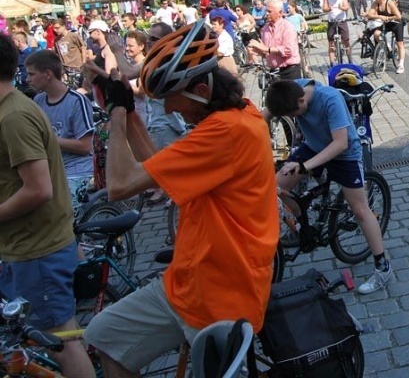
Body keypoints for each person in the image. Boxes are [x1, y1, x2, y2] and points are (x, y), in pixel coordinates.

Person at [84, 22, 279, 377]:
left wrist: (113, 116)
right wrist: (129, 113)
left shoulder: (225, 132)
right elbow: (155, 167)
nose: (172, 111)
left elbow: (120, 185)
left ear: (202, 89)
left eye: (174, 101)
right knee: (103, 334)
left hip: (219, 296)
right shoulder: (239, 113)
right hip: (186, 283)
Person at [0, 34, 95, 378]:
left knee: (61, 340)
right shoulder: (18, 107)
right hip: (25, 246)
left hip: (37, 248)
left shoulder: (14, 117)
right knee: (47, 338)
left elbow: (38, 189)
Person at [265, 78, 394, 295]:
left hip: (344, 154)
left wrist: (305, 166)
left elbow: (340, 143)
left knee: (360, 210)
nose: (296, 118)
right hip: (314, 147)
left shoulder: (330, 99)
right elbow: (263, 116)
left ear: (301, 99)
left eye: (296, 114)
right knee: (275, 188)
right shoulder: (287, 90)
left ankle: (383, 267)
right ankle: (299, 222)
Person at [24, 50, 94, 209]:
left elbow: (85, 146)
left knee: (59, 210)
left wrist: (50, 138)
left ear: (48, 74)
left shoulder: (77, 101)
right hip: (51, 168)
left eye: (32, 74)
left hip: (77, 170)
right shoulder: (39, 100)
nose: (27, 79)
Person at [248, 0, 303, 80]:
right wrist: (258, 50)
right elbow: (267, 53)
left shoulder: (287, 27)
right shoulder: (265, 29)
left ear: (280, 13)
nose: (266, 14)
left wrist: (265, 48)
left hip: (289, 71)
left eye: (269, 11)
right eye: (266, 11)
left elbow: (288, 51)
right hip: (273, 72)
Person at [366, 0, 406, 74]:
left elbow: (398, 16)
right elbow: (370, 14)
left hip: (396, 23)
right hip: (385, 23)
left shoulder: (389, 3)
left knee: (400, 44)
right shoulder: (375, 3)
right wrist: (380, 16)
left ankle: (401, 65)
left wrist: (388, 18)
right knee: (376, 34)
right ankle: (386, 48)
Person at [323, 0, 352, 67]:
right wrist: (329, 9)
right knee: (331, 42)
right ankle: (332, 63)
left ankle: (350, 60)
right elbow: (324, 8)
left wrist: (342, 8)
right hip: (331, 21)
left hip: (341, 20)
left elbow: (347, 7)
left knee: (346, 40)